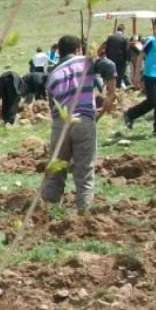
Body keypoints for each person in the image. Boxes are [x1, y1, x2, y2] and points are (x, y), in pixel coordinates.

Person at [41, 35, 112, 213]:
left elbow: (53, 107)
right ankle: (84, 210)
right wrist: (111, 94)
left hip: (60, 124)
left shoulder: (52, 74)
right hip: (84, 121)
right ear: (79, 49)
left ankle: (47, 210)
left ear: (59, 52)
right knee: (84, 170)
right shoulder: (87, 61)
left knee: (56, 170)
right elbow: (109, 66)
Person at [124, 15, 156, 137]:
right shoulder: (151, 41)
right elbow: (140, 57)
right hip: (150, 76)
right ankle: (130, 114)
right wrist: (136, 75)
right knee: (152, 101)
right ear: (155, 27)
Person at [104, 25, 130, 90]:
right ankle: (117, 90)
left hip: (111, 60)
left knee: (111, 77)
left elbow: (107, 49)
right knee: (119, 77)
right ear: (123, 30)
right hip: (121, 61)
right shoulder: (125, 38)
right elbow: (127, 50)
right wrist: (127, 60)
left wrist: (108, 58)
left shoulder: (110, 38)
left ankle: (109, 91)